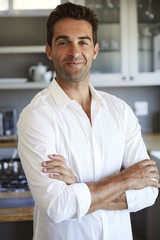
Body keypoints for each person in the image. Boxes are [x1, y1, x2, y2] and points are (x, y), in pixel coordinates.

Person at [17, 2, 160, 240]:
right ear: (49, 50)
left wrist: (78, 187)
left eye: (83, 42)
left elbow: (149, 190)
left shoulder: (120, 111)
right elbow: (57, 207)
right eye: (64, 42)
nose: (75, 52)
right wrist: (125, 179)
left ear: (94, 50)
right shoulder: (36, 116)